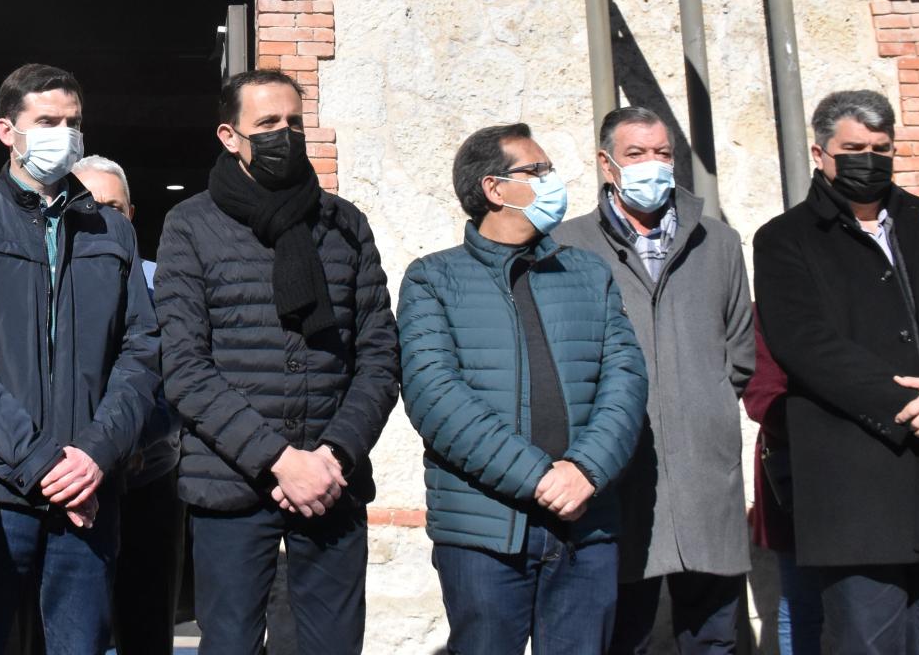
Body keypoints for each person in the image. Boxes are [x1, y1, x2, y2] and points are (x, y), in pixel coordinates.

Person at [155, 69, 398, 655]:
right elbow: (185, 367)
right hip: (231, 482)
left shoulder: (343, 224)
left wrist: (333, 455)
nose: (283, 134)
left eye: (293, 121)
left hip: (333, 482)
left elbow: (378, 356)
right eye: (266, 123)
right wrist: (279, 460)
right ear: (229, 136)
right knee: (231, 644)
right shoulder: (191, 225)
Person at [0, 63, 160, 655]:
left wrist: (96, 454)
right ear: (8, 130)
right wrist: (39, 462)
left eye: (73, 122)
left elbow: (140, 350)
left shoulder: (113, 231)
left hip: (88, 493)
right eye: (48, 121)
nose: (64, 135)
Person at [399, 122, 648, 655]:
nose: (553, 180)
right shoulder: (432, 279)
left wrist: (585, 471)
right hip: (485, 533)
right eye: (538, 170)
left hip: (585, 525)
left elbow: (625, 379)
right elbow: (435, 397)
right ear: (494, 188)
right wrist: (539, 478)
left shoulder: (589, 273)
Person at [553, 106, 754, 653]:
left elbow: (740, 352)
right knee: (624, 635)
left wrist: (705, 405)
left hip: (704, 471)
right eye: (636, 153)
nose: (653, 164)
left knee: (714, 635)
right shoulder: (568, 246)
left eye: (663, 153)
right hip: (617, 475)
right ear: (607, 163)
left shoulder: (719, 242)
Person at [753, 89, 919, 653]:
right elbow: (805, 345)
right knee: (866, 642)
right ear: (820, 153)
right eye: (854, 149)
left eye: (881, 148)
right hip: (854, 491)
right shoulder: (784, 240)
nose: (870, 160)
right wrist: (915, 405)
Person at [75, 153, 183, 655]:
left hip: (148, 479)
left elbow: (181, 376)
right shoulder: (49, 283)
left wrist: (133, 438)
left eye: (114, 207)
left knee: (145, 624)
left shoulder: (164, 284)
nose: (103, 217)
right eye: (90, 206)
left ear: (132, 214)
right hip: (72, 482)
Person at [743, 309, 824, 655]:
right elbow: (761, 396)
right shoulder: (769, 309)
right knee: (801, 602)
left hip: (869, 478)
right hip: (795, 480)